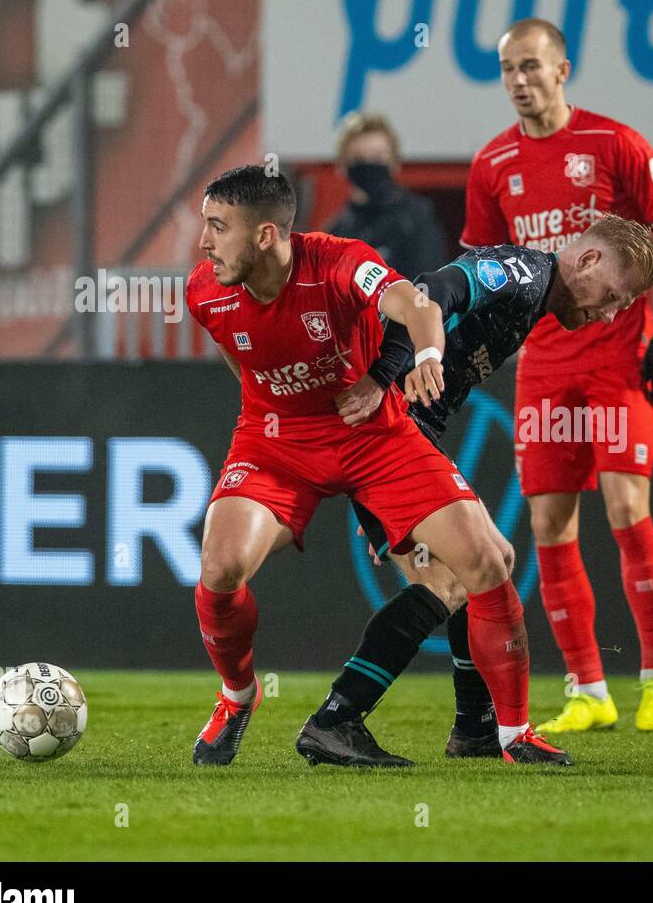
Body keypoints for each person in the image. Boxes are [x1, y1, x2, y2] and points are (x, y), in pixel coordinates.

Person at [186, 164, 565, 767]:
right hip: (274, 443)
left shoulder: (339, 260)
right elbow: (245, 362)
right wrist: (268, 412)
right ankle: (238, 695)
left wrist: (429, 353)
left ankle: (513, 735)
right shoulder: (204, 291)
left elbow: (417, 305)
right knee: (220, 569)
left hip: (376, 438)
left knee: (487, 561)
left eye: (217, 226)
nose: (204, 242)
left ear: (264, 235)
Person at [301, 214, 653, 765]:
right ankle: (339, 718)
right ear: (587, 259)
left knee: (483, 566)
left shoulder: (533, 297)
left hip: (396, 437)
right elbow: (430, 292)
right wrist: (396, 369)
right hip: (386, 434)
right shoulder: (520, 273)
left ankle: (472, 728)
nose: (609, 314)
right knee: (464, 576)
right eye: (613, 295)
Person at [463, 18, 653, 735]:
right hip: (542, 360)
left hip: (617, 354)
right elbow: (479, 265)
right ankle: (587, 687)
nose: (518, 81)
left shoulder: (612, 142)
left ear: (563, 69)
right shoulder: (491, 162)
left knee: (627, 508)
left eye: (531, 66)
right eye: (507, 69)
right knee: (548, 523)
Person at [325, 111, 447, 277]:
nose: (369, 166)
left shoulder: (415, 219)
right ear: (341, 166)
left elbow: (427, 290)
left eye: (377, 158)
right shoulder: (336, 231)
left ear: (395, 163)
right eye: (359, 158)